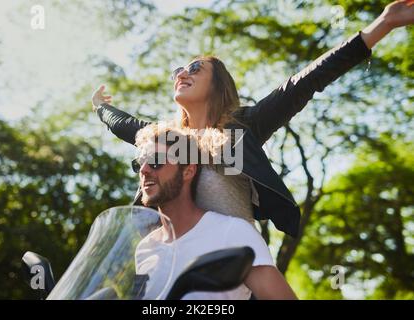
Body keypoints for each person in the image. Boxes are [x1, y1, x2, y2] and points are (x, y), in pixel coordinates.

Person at [92, 1, 414, 237]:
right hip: (174, 256)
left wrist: (383, 25)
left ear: (219, 85)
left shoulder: (243, 127)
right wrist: (99, 107)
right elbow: (125, 125)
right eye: (178, 71)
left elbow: (306, 81)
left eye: (194, 68)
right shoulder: (170, 140)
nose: (182, 74)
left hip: (235, 262)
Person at [132, 124, 297, 299]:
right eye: (139, 163)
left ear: (188, 171)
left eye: (155, 161)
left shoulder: (232, 232)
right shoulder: (145, 248)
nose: (144, 170)